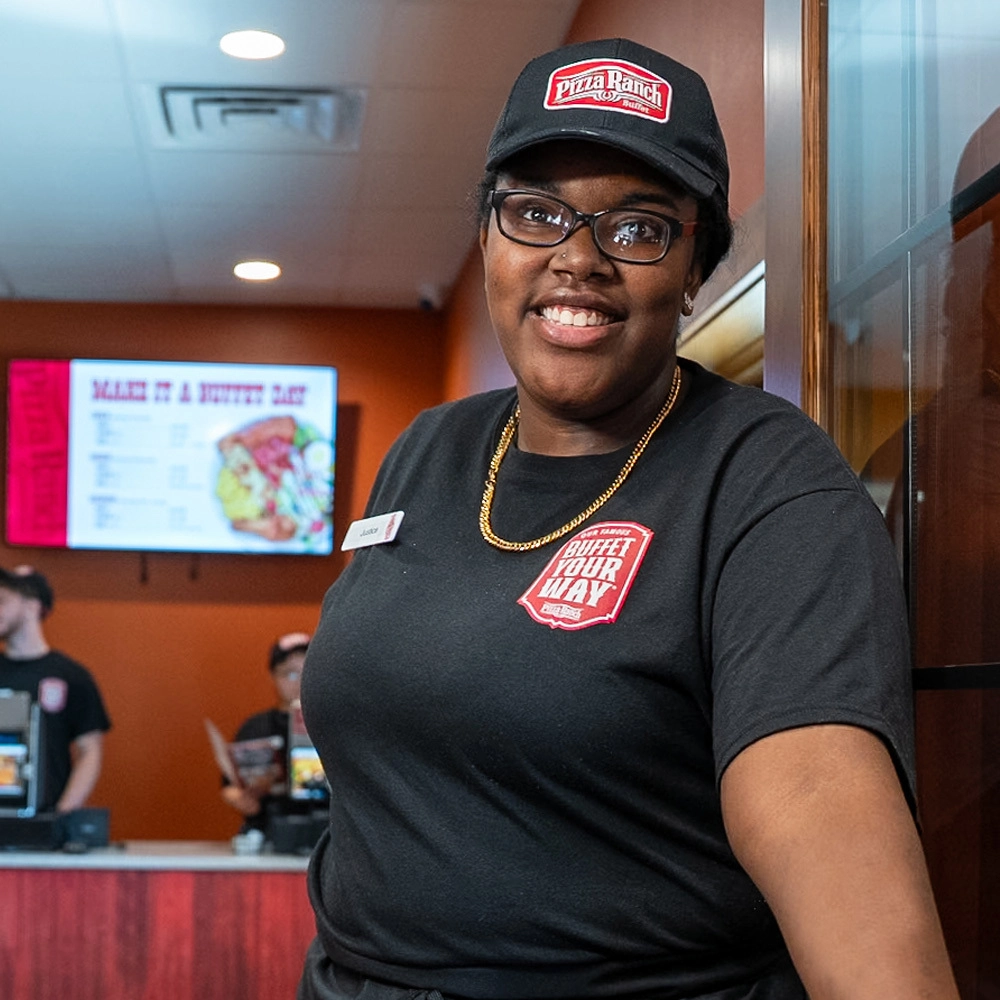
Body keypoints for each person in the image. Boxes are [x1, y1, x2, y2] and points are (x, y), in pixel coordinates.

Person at [298, 38, 959, 1000]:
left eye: (640, 228)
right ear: (488, 238)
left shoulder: (765, 481)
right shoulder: (426, 454)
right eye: (535, 213)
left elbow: (819, 806)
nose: (577, 260)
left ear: (695, 269)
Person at [0, 564, 111, 813]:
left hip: (43, 827)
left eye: (2, 601)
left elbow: (90, 751)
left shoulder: (71, 676)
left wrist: (62, 814)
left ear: (32, 606)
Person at [221, 631, 314, 834]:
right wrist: (240, 798)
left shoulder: (337, 725)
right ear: (273, 676)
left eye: (308, 671)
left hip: (330, 837)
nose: (299, 682)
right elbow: (229, 786)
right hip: (270, 831)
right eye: (290, 674)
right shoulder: (256, 727)